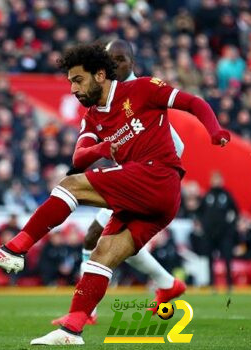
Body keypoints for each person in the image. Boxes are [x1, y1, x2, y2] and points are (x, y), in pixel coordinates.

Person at [0, 43, 230, 345]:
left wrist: (214, 130)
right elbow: (79, 157)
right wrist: (101, 149)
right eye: (70, 82)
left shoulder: (143, 89)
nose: (74, 89)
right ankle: (72, 330)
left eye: (78, 80)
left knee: (72, 186)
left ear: (100, 75)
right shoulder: (92, 117)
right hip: (153, 200)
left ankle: (13, 250)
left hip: (157, 176)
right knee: (101, 254)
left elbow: (194, 102)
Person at [53, 40, 187, 326]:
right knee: (107, 241)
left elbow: (177, 143)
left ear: (132, 62)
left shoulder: (142, 92)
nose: (116, 64)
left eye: (121, 59)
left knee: (98, 239)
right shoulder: (105, 96)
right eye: (110, 59)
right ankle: (166, 284)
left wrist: (153, 173)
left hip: (148, 183)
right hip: (132, 179)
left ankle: (87, 310)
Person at [198, 171, 239, 289]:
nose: (216, 182)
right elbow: (200, 212)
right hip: (210, 234)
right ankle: (212, 284)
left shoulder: (226, 195)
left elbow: (235, 212)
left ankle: (229, 284)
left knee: (227, 257)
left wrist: (230, 226)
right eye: (214, 179)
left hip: (224, 233)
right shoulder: (207, 195)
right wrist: (204, 225)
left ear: (222, 180)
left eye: (218, 179)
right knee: (210, 259)